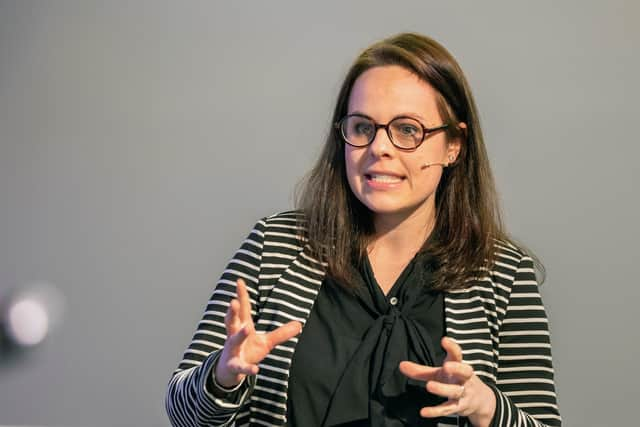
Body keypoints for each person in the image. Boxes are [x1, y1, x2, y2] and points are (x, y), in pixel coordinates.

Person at [165, 32, 561, 427]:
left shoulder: (502, 271)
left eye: (408, 130)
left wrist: (486, 407)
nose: (379, 147)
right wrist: (222, 377)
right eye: (362, 127)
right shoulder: (275, 247)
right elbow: (182, 414)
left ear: (454, 145)